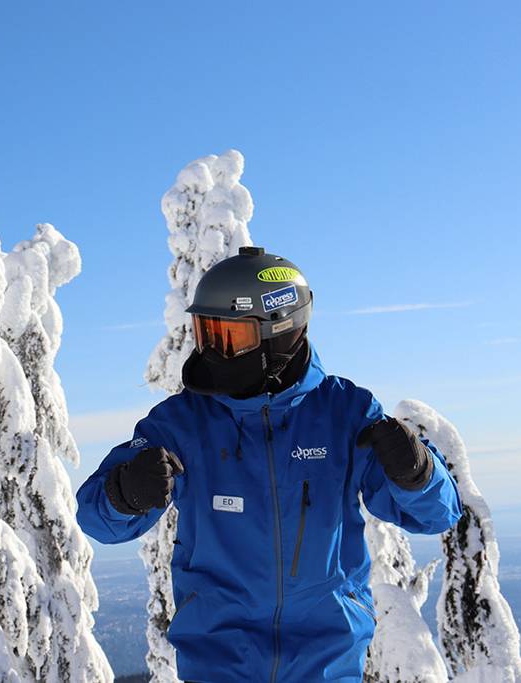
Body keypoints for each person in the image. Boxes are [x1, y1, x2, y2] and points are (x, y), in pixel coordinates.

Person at [75, 246, 461, 683]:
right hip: (220, 664)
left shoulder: (344, 414)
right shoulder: (183, 424)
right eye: (207, 334)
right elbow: (94, 520)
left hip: (328, 663)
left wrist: (418, 473)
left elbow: (437, 515)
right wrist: (123, 493)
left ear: (281, 331)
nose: (212, 352)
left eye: (229, 337)